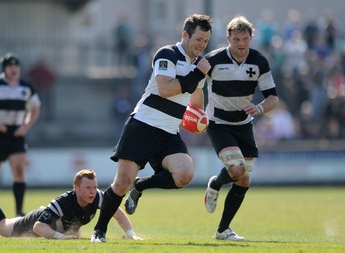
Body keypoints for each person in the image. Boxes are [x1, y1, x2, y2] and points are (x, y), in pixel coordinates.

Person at [91, 14, 213, 243]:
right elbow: (166, 89)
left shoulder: (200, 66)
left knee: (185, 174)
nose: (201, 45)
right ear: (185, 35)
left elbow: (196, 99)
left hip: (169, 134)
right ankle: (99, 231)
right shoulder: (167, 54)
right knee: (121, 183)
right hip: (142, 126)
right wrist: (198, 73)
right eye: (198, 39)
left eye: (205, 41)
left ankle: (141, 185)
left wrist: (199, 120)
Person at [203, 16, 279, 241]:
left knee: (244, 180)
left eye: (245, 39)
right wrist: (194, 112)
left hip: (243, 124)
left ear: (251, 38)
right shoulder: (213, 60)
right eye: (236, 39)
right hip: (218, 123)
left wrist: (259, 109)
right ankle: (216, 183)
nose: (241, 44)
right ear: (228, 39)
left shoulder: (259, 62)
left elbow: (272, 97)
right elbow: (194, 85)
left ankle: (222, 230)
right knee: (237, 170)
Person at [0, 169, 142, 240]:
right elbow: (38, 227)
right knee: (3, 229)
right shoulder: (62, 203)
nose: (92, 191)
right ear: (76, 188)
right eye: (87, 188)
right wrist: (61, 237)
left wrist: (130, 235)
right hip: (39, 219)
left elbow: (116, 212)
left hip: (53, 225)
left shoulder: (98, 197)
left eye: (94, 186)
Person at [0, 52, 41, 221]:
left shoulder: (26, 86)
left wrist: (25, 126)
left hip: (16, 133)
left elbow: (35, 108)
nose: (13, 69)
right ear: (4, 69)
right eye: (10, 66)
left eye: (16, 65)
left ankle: (19, 212)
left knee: (18, 169)